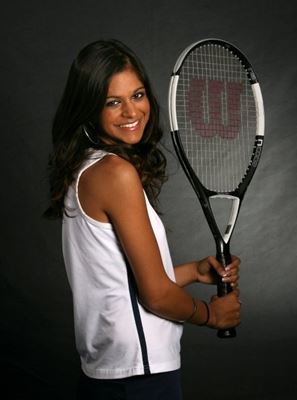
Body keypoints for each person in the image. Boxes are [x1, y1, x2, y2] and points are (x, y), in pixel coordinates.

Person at [44, 39, 241, 400]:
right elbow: (155, 296)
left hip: (108, 370)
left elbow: (120, 281)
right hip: (140, 375)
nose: (131, 112)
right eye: (112, 102)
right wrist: (211, 315)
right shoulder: (116, 173)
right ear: (89, 108)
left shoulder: (86, 168)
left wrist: (194, 272)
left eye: (137, 95)